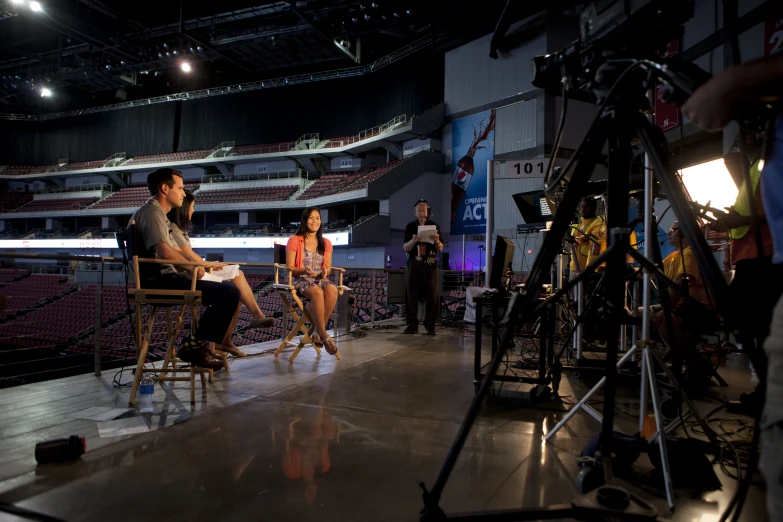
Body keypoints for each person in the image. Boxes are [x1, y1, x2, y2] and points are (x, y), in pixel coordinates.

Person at [683, 51, 783, 520]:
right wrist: (724, 220)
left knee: (759, 333)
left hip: (766, 262)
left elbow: (758, 217)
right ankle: (761, 399)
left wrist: (732, 218)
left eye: (746, 133)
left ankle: (764, 401)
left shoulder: (763, 169)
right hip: (749, 258)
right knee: (757, 331)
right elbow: (747, 218)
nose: (742, 143)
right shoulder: (753, 173)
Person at [128, 168, 240, 370]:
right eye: (180, 188)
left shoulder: (158, 214)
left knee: (227, 289)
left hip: (165, 277)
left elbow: (172, 252)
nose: (183, 193)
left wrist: (193, 266)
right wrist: (191, 267)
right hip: (160, 281)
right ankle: (193, 346)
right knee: (229, 292)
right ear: (164, 188)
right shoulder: (152, 212)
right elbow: (164, 252)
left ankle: (196, 345)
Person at [167, 190, 275, 357]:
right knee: (234, 285)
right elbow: (187, 256)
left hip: (196, 270)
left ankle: (228, 338)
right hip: (189, 276)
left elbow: (189, 255)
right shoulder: (173, 229)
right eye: (193, 206)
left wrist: (209, 264)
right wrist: (205, 264)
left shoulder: (180, 230)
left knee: (237, 277)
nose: (193, 210)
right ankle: (249, 320)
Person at [285, 207, 339, 356]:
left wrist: (325, 271)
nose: (314, 221)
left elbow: (328, 268)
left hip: (319, 279)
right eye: (310, 218)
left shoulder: (326, 243)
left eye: (317, 218)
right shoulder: (294, 240)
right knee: (316, 291)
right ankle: (324, 334)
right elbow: (289, 268)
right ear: (304, 220)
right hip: (300, 279)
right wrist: (303, 270)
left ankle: (317, 332)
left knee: (332, 289)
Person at [402, 199, 443, 335]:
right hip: (414, 262)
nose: (421, 213)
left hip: (430, 263)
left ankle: (430, 325)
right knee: (411, 294)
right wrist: (414, 240)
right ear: (415, 212)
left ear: (427, 212)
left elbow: (441, 247)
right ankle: (412, 325)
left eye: (424, 210)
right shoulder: (410, 227)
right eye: (419, 210)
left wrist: (436, 240)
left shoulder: (434, 225)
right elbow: (405, 247)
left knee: (432, 294)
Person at [569, 197, 607, 273]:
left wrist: (578, 240)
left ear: (593, 208)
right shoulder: (580, 223)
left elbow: (592, 239)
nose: (583, 209)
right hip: (574, 266)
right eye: (582, 206)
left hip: (587, 268)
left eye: (587, 206)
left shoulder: (598, 223)